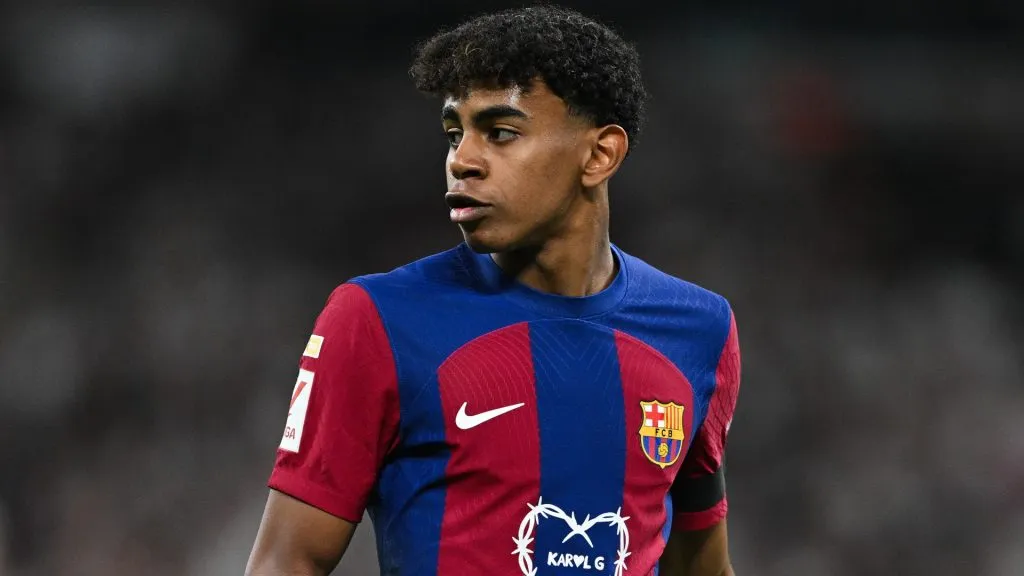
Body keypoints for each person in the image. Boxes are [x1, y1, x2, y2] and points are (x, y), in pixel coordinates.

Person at [245, 5, 741, 575]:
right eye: (455, 133)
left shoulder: (700, 329)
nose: (463, 160)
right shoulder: (376, 319)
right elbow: (286, 562)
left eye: (500, 133)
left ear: (600, 154)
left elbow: (701, 564)